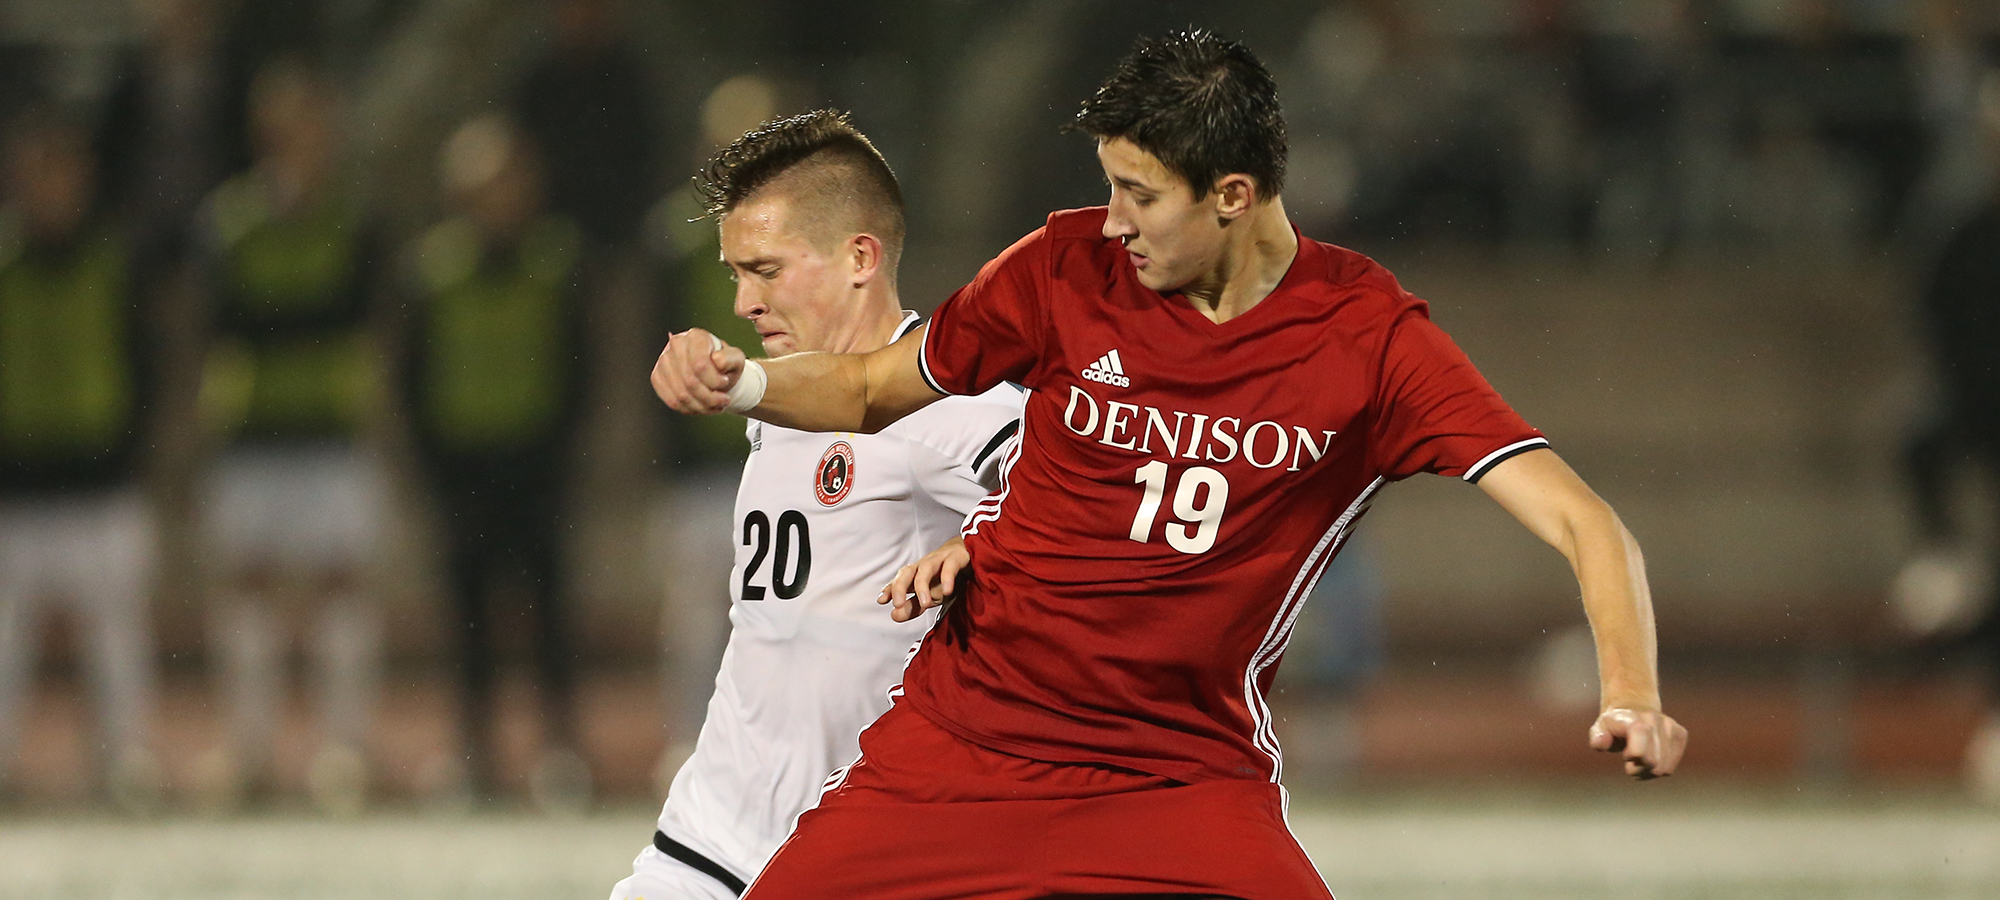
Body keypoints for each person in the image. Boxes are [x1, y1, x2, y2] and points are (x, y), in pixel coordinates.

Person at [652, 31, 1687, 899]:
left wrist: (1630, 691)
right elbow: (871, 389)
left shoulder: (1366, 339)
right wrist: (739, 385)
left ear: (1231, 194)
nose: (1111, 222)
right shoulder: (1059, 268)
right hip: (962, 746)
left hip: (1176, 776)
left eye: (1139, 196)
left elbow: (1583, 524)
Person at [612, 109, 1022, 899]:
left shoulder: (953, 405)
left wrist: (986, 543)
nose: (741, 301)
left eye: (764, 270)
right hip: (709, 836)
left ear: (860, 257)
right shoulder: (779, 399)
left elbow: (1086, 507)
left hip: (859, 852)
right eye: (734, 273)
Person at [196, 59, 386, 813]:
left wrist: (283, 321)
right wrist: (305, 319)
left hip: (332, 431)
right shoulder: (230, 221)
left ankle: (344, 752)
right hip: (250, 432)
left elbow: (356, 315)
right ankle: (249, 751)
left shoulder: (356, 219)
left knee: (342, 594)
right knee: (248, 597)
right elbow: (225, 320)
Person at [402, 114, 590, 807]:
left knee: (550, 619)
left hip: (537, 473)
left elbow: (582, 370)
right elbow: (412, 379)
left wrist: (563, 460)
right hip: (464, 475)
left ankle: (559, 754)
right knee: (469, 622)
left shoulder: (558, 262)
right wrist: (434, 471)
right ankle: (474, 754)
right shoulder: (432, 271)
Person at [0, 112, 161, 810]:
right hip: (15, 489)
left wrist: (135, 453)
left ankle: (124, 764)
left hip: (103, 486)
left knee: (118, 637)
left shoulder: (113, 264)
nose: (49, 190)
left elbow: (146, 367)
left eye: (60, 174)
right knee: (4, 645)